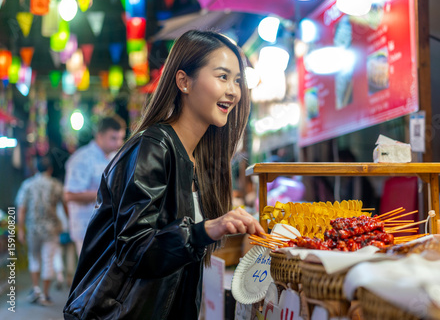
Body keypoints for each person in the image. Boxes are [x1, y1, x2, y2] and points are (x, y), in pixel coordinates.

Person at [63, 30, 264, 320]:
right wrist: (206, 229)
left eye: (237, 80)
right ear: (183, 81)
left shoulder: (201, 159)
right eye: (222, 77)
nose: (234, 91)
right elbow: (135, 248)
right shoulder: (153, 146)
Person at [64, 115, 126, 256]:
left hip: (110, 227)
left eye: (121, 138)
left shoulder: (115, 157)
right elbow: (69, 195)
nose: (118, 143)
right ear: (100, 135)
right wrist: (110, 193)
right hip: (87, 228)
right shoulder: (82, 158)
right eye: (113, 138)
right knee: (91, 277)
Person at [16, 156, 67, 306]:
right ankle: (45, 295)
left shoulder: (27, 185)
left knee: (34, 259)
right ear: (50, 169)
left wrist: (20, 229)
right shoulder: (56, 185)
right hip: (51, 228)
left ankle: (36, 290)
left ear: (36, 168)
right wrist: (69, 220)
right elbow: (65, 205)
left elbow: (21, 209)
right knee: (48, 260)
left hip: (32, 228)